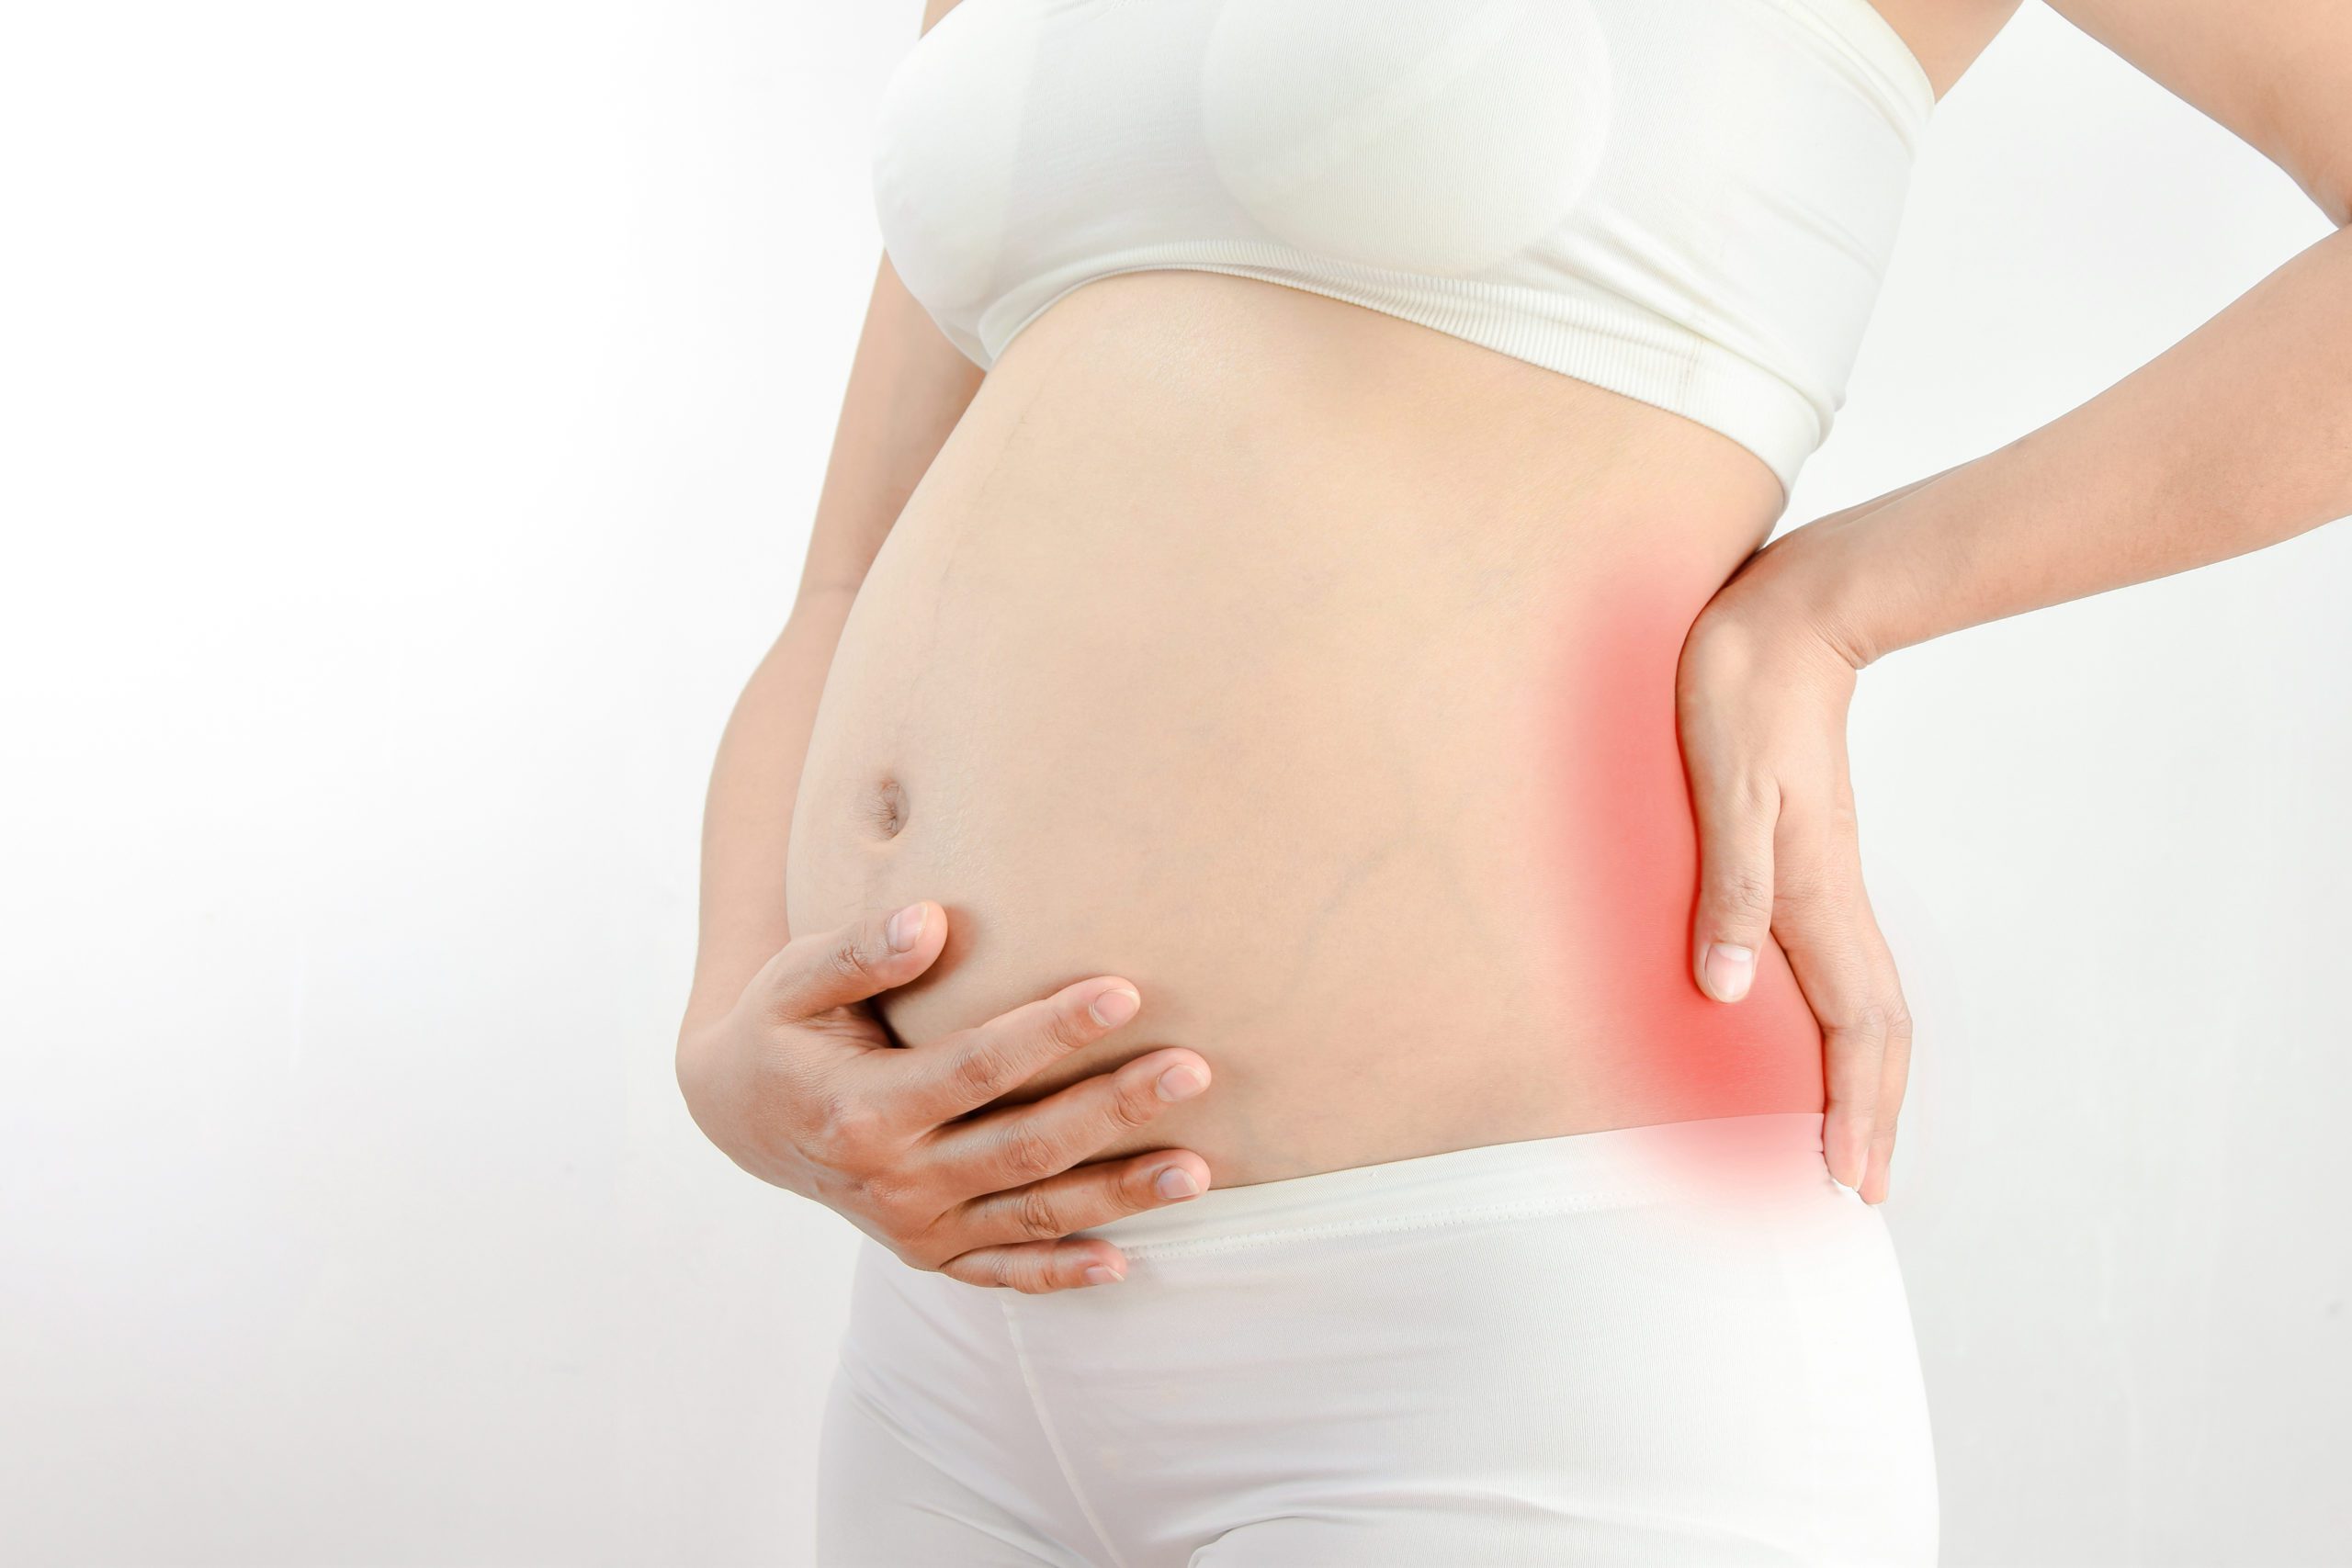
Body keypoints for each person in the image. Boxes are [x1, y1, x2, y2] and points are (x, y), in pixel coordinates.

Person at [674, 0, 2352, 1560]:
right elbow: (844, 583)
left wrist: (1848, 604)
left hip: (1521, 1315)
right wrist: (723, 1041)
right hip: (949, 1347)